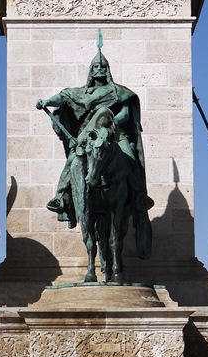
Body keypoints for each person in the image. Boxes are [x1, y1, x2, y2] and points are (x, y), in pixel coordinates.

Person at [36, 45, 153, 256]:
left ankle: (139, 197)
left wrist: (107, 122)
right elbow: (63, 97)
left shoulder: (119, 92)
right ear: (91, 70)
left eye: (103, 66)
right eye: (96, 66)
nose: (99, 69)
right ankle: (62, 196)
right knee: (74, 159)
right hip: (88, 136)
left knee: (130, 158)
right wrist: (47, 101)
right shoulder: (81, 93)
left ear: (108, 69)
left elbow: (125, 114)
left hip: (115, 135)